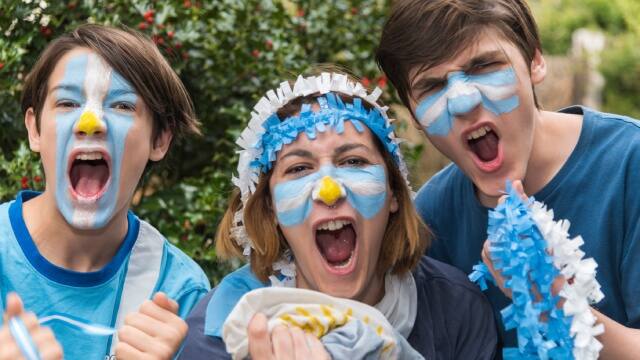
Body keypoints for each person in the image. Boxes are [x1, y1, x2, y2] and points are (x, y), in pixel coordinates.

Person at [375, 0, 640, 358]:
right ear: (416, 116)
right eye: (432, 86)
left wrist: (551, 302)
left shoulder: (630, 162)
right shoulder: (429, 219)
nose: (462, 101)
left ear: (535, 61)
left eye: (483, 65)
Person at [179, 72, 497, 359]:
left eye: (354, 162)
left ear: (394, 194)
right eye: (299, 168)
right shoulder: (220, 330)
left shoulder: (457, 309)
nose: (328, 190)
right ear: (270, 209)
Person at [0, 24, 210, 360]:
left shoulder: (180, 293)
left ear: (160, 140)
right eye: (67, 102)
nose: (91, 122)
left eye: (123, 106)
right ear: (34, 129)